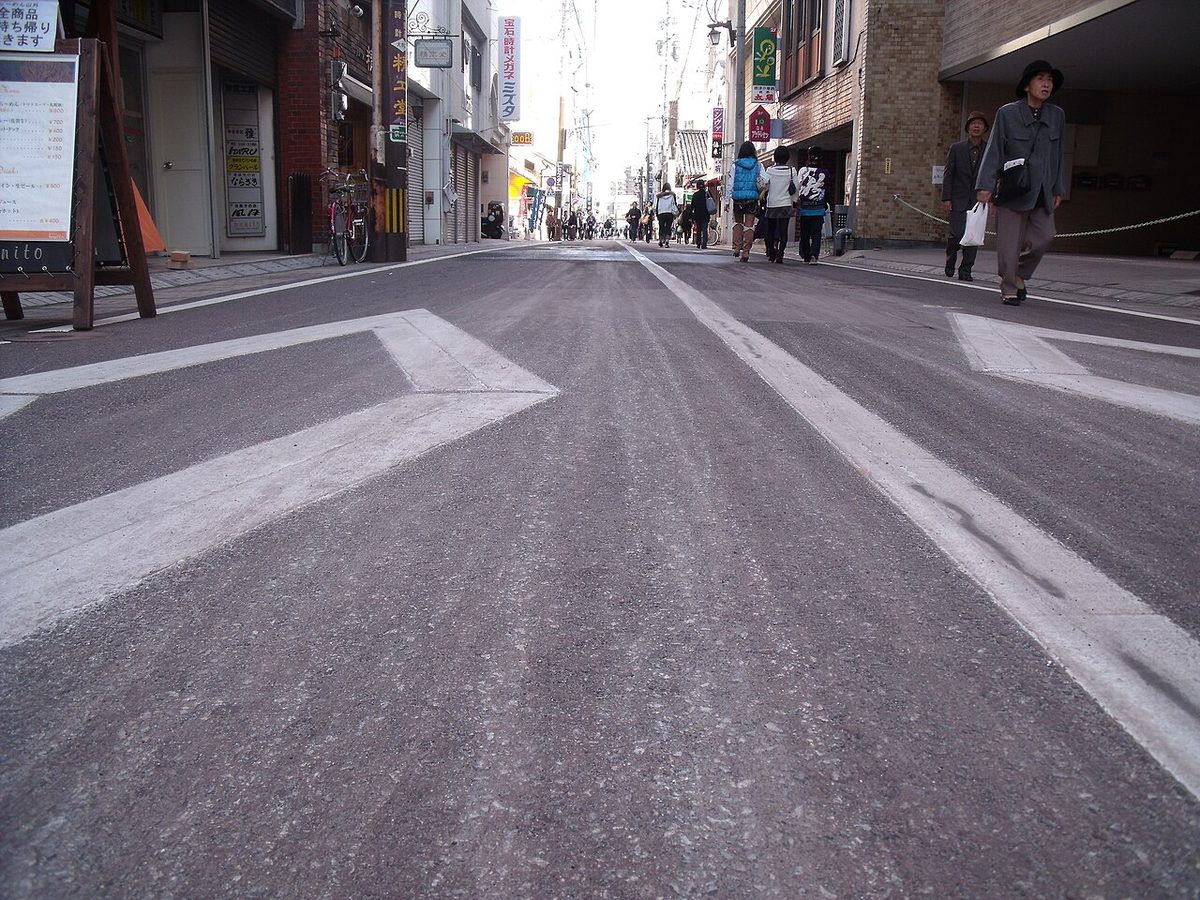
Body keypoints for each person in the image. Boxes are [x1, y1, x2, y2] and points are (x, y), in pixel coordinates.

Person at [976, 60, 1067, 306]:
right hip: (1013, 188)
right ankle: (1008, 287)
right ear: (1027, 85)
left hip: (1042, 189)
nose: (1046, 84)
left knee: (1044, 237)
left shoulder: (1057, 116)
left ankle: (1018, 274)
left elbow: (1059, 153)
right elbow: (994, 149)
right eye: (1040, 79)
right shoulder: (1008, 113)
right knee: (1009, 243)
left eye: (1049, 80)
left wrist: (1059, 187)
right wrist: (985, 185)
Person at [942, 111, 989, 281]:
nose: (976, 126)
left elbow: (993, 174)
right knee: (956, 234)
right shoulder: (957, 148)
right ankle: (950, 258)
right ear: (968, 128)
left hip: (978, 200)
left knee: (973, 237)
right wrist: (946, 198)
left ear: (985, 128)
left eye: (980, 124)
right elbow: (949, 174)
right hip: (957, 198)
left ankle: (966, 270)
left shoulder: (989, 150)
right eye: (973, 123)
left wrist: (992, 196)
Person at [725, 141, 767, 262]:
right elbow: (765, 180)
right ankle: (746, 251)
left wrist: (727, 201)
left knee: (738, 223)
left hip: (738, 199)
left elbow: (730, 184)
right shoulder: (758, 165)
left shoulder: (735, 165)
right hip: (752, 198)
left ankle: (737, 247)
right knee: (749, 226)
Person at [762, 145, 798, 263]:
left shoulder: (769, 170)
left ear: (775, 157)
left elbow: (766, 186)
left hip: (772, 203)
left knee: (771, 230)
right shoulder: (792, 170)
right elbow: (796, 188)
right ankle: (781, 253)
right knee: (783, 231)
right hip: (785, 203)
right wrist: (795, 202)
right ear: (787, 157)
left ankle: (772, 252)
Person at [795, 146, 830, 265]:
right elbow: (827, 190)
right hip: (819, 207)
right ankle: (814, 255)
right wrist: (826, 203)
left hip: (805, 206)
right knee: (816, 233)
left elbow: (798, 187)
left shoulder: (803, 171)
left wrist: (796, 203)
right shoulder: (824, 172)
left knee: (804, 232)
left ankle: (805, 255)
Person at [690, 178, 713, 249]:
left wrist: (690, 215)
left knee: (699, 229)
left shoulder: (695, 195)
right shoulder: (707, 194)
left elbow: (692, 206)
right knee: (704, 229)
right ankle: (704, 244)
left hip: (697, 214)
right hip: (706, 214)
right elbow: (711, 202)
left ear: (697, 186)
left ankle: (698, 243)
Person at [655, 183, 679, 248]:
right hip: (669, 212)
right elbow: (674, 203)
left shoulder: (659, 196)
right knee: (668, 227)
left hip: (661, 212)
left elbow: (656, 205)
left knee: (661, 227)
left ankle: (660, 240)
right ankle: (667, 241)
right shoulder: (672, 194)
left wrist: (657, 213)